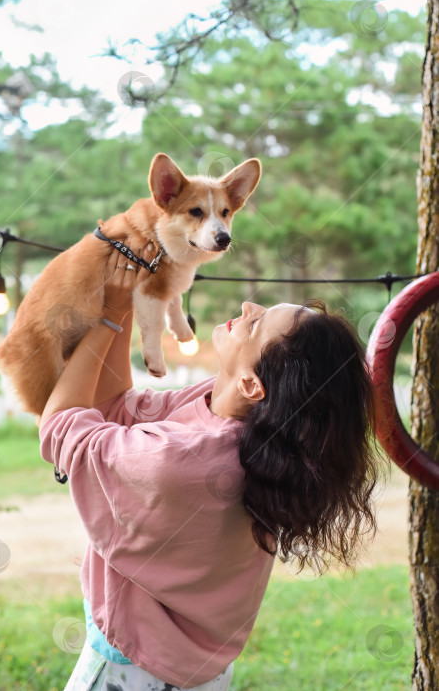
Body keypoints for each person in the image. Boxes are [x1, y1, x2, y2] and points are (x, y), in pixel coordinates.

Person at [39, 236, 386, 691]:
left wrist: (105, 319)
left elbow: (60, 426)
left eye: (257, 323)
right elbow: (116, 407)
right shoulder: (243, 427)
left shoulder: (183, 463)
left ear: (251, 384)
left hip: (133, 670)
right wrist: (124, 306)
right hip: (202, 670)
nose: (246, 306)